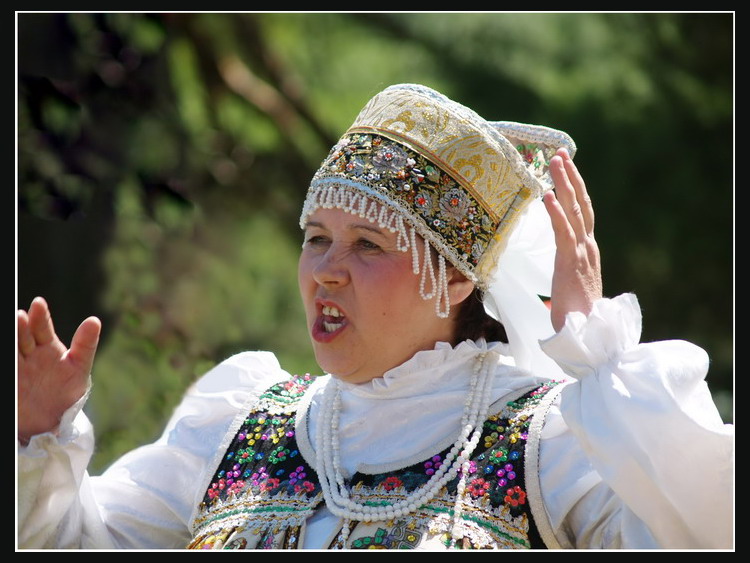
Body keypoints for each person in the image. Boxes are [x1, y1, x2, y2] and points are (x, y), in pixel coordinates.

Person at [17, 83, 733, 550]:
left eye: (368, 244)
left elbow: (702, 526)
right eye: (317, 239)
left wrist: (596, 356)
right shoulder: (239, 422)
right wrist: (36, 434)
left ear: (455, 279)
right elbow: (76, 540)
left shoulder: (547, 443)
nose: (327, 269)